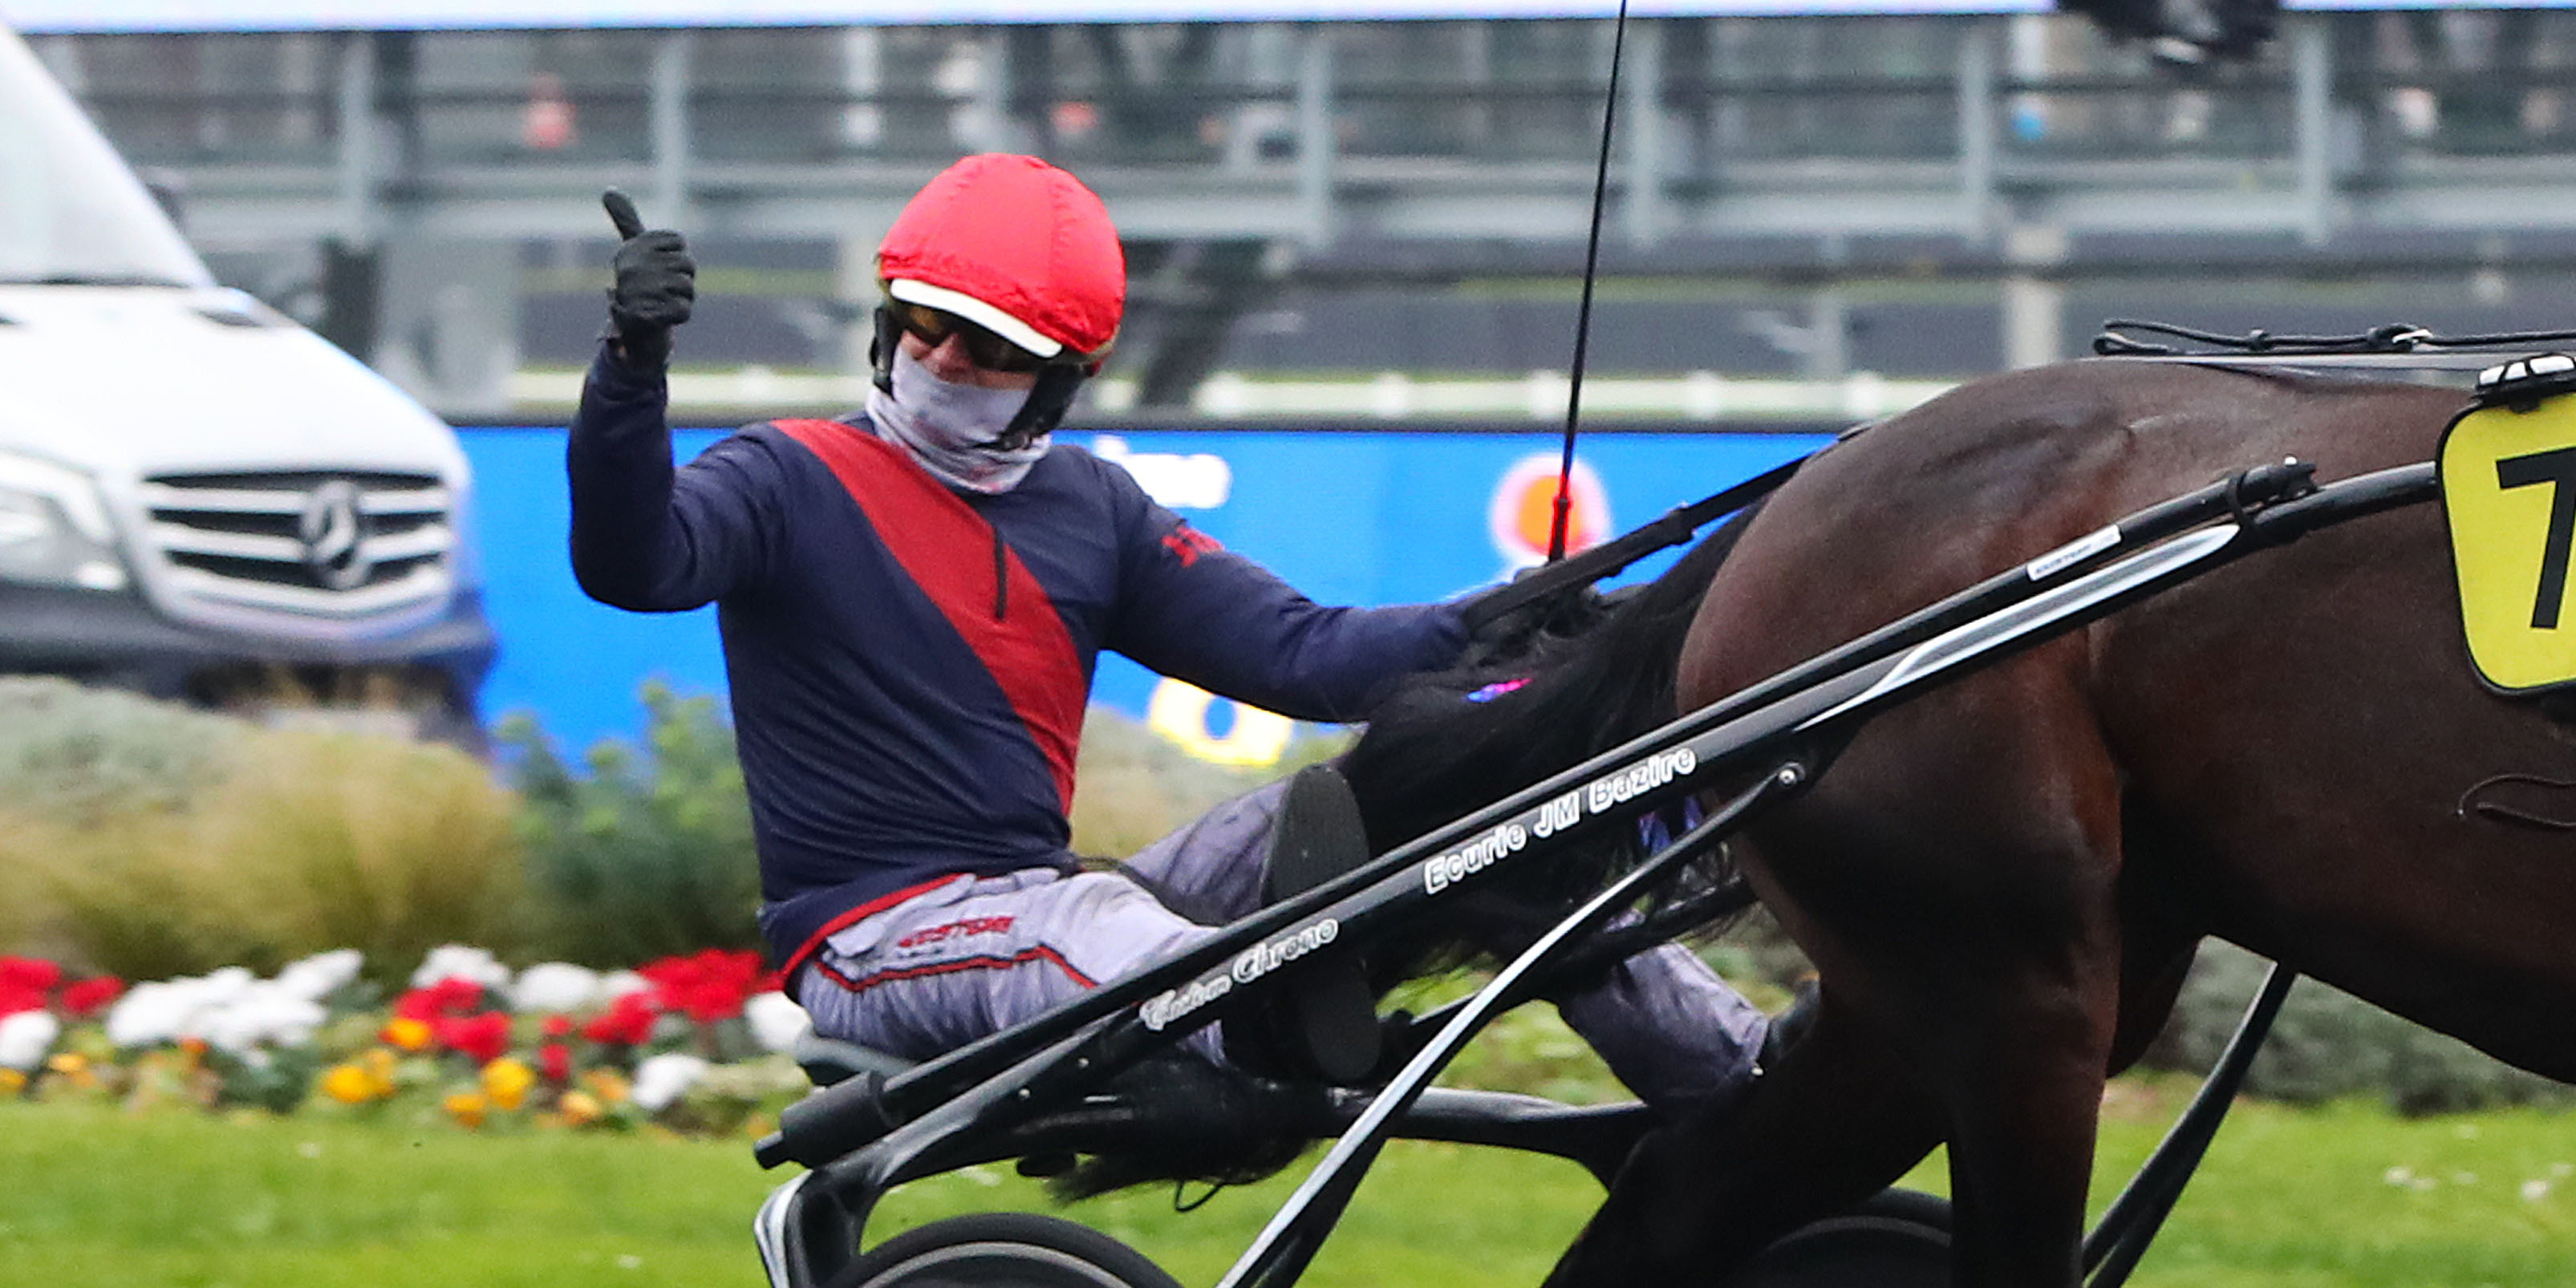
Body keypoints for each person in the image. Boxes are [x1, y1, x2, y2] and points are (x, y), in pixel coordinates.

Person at [566, 154, 1764, 1096]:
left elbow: (1305, 655)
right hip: (875, 941)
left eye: (986, 346)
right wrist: (632, 365)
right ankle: (1275, 1034)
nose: (938, 356)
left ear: (1062, 375)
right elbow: (634, 562)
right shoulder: (784, 476)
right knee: (1080, 923)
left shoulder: (1093, 509)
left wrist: (1505, 622)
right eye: (922, 321)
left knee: (1483, 807)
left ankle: (1740, 1075)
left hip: (1055, 911)